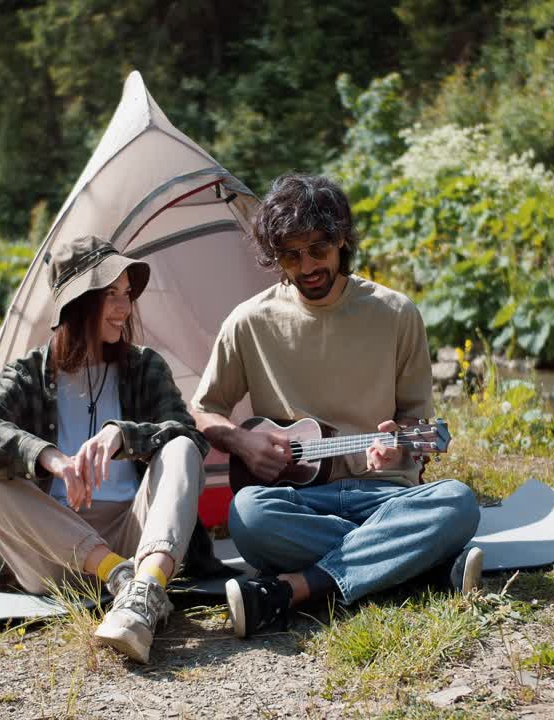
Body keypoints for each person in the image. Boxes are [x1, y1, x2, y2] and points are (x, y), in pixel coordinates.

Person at [191, 173, 483, 639]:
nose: (307, 266)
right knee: (248, 515)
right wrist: (242, 442)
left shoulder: (396, 313)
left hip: (384, 496)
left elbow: (415, 420)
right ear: (275, 257)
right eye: (291, 255)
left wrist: (398, 443)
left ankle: (295, 588)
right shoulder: (248, 322)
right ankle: (421, 565)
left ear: (341, 239)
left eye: (318, 249)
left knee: (458, 502)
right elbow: (203, 410)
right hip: (299, 503)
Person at [0, 235, 206, 663]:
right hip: (52, 551)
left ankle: (143, 592)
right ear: (78, 302)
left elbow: (189, 435)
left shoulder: (144, 366)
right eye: (110, 294)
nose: (124, 308)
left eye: (127, 294)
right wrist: (47, 457)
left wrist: (122, 435)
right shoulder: (31, 372)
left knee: (180, 449)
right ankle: (116, 575)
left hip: (133, 538)